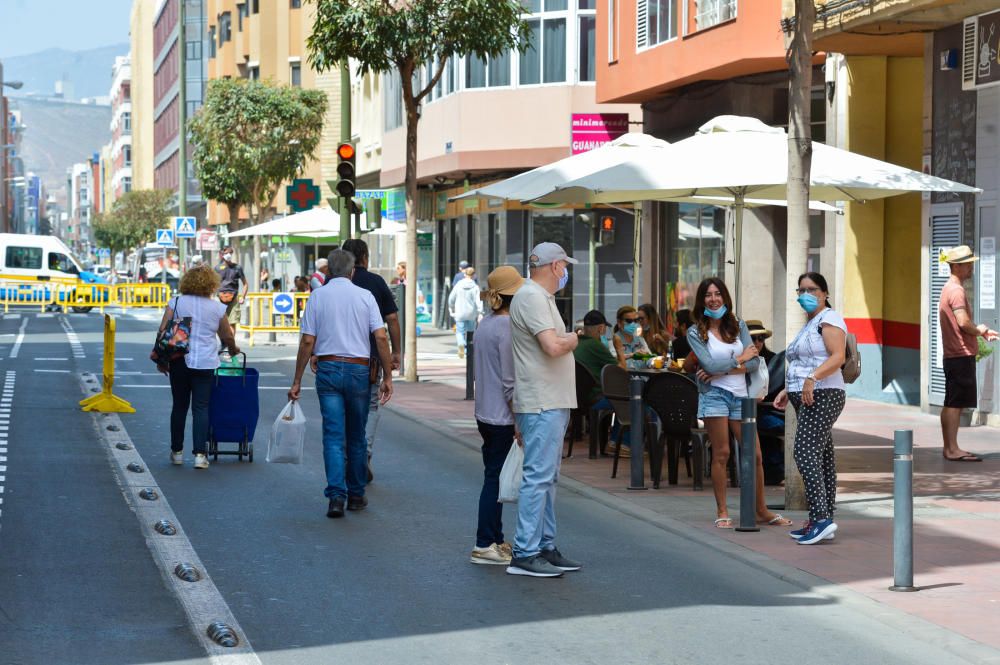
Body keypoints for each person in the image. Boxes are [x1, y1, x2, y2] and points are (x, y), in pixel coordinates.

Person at [288, 249, 393, 519]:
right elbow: (381, 338)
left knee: (333, 436)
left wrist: (297, 379)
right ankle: (356, 494)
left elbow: (307, 341)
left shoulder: (318, 297)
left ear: (328, 272)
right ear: (352, 271)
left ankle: (336, 496)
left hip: (329, 367)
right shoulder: (365, 296)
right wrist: (387, 376)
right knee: (356, 435)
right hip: (359, 370)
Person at [688, 277, 790, 530]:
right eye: (708, 295)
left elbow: (754, 363)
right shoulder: (695, 332)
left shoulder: (738, 325)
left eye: (718, 294)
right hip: (714, 396)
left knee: (754, 455)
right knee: (722, 453)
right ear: (702, 300)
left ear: (725, 297)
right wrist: (738, 360)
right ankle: (722, 510)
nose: (713, 299)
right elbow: (708, 366)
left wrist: (726, 369)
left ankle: (761, 510)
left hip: (741, 398)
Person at [508, 242, 581, 578]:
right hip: (542, 401)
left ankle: (544, 546)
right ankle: (525, 552)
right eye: (564, 266)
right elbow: (553, 346)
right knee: (538, 478)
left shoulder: (539, 297)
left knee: (547, 478)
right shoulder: (533, 297)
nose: (565, 272)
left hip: (549, 399)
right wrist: (574, 338)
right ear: (555, 266)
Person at [773, 272, 849, 545]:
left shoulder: (829, 318)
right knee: (823, 457)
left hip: (824, 393)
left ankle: (821, 519)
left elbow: (838, 357)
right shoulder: (811, 323)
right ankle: (823, 517)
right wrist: (788, 388)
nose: (806, 294)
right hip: (807, 396)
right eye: (801, 290)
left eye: (812, 289)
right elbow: (804, 361)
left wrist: (812, 379)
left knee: (804, 453)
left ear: (825, 293)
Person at [155, 265, 239, 470]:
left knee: (179, 406)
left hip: (179, 360)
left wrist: (161, 359)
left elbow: (162, 331)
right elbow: (227, 336)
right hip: (205, 363)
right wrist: (234, 349)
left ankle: (176, 452)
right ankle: (200, 455)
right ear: (211, 284)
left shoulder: (175, 303)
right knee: (201, 407)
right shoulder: (217, 308)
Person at [470, 265, 525, 566]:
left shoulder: (485, 324)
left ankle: (494, 538)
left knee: (494, 476)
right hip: (502, 416)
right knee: (495, 479)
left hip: (486, 412)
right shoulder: (506, 328)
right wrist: (519, 420)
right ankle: (484, 543)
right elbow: (509, 382)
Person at [341, 239, 402, 482]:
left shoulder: (333, 283)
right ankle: (363, 455)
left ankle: (347, 458)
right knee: (370, 407)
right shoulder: (376, 282)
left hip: (335, 359)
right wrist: (396, 353)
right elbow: (392, 320)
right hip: (369, 362)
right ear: (365, 257)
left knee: (342, 410)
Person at [937, 246, 999, 462]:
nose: (971, 267)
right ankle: (952, 449)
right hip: (960, 354)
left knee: (951, 402)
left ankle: (950, 447)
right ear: (957, 266)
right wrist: (980, 330)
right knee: (955, 404)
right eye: (968, 263)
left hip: (953, 354)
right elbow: (963, 322)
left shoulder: (948, 288)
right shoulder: (956, 291)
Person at [747, 319, 786, 486]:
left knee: (759, 422)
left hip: (771, 410)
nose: (757, 342)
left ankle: (773, 470)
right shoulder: (738, 361)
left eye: (760, 338)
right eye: (753, 339)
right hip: (748, 409)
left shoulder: (774, 361)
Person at [448, 266, 483, 359]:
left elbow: (451, 298)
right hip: (471, 313)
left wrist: (451, 307)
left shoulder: (458, 285)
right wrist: (480, 312)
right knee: (471, 331)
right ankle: (469, 349)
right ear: (474, 275)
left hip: (460, 312)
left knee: (460, 332)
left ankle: (461, 344)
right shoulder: (475, 287)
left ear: (464, 274)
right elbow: (479, 300)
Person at [215, 246, 248, 338]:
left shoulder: (237, 268)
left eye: (230, 253)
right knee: (218, 323)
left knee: (232, 323)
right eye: (226, 253)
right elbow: (212, 283)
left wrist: (243, 297)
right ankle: (225, 342)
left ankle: (231, 347)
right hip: (219, 298)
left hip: (234, 298)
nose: (228, 255)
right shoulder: (217, 268)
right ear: (222, 255)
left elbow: (245, 284)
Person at [613, 305, 651, 369]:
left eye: (635, 320)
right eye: (629, 321)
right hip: (625, 378)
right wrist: (632, 355)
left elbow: (649, 358)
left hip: (644, 378)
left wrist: (656, 361)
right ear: (619, 322)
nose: (633, 324)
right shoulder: (613, 340)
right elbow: (612, 359)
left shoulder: (640, 339)